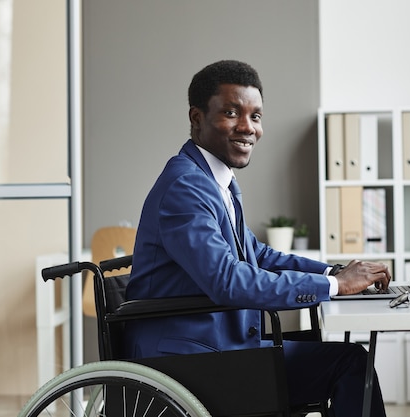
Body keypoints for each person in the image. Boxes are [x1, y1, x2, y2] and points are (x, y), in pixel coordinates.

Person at [124, 60, 391, 416]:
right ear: (197, 117)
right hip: (190, 362)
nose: (248, 128)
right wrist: (336, 287)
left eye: (256, 116)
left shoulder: (217, 182)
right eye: (232, 113)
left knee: (348, 360)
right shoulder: (185, 186)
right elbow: (227, 279)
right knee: (349, 363)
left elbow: (258, 255)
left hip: (221, 348)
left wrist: (334, 273)